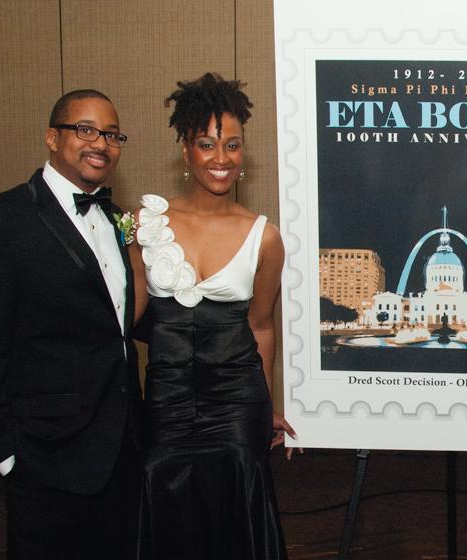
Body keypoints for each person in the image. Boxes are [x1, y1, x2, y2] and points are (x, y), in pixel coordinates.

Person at [0, 90, 140, 558]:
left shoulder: (119, 220)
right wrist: (5, 455)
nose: (101, 143)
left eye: (112, 135)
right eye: (85, 129)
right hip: (44, 458)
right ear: (52, 137)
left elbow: (118, 324)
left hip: (121, 453)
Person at [133, 72, 296, 559]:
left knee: (236, 516)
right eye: (207, 144)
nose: (221, 158)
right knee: (164, 503)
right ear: (185, 150)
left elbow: (261, 326)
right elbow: (126, 319)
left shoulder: (264, 237)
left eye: (232, 145)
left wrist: (267, 407)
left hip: (236, 406)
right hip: (166, 403)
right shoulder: (146, 226)